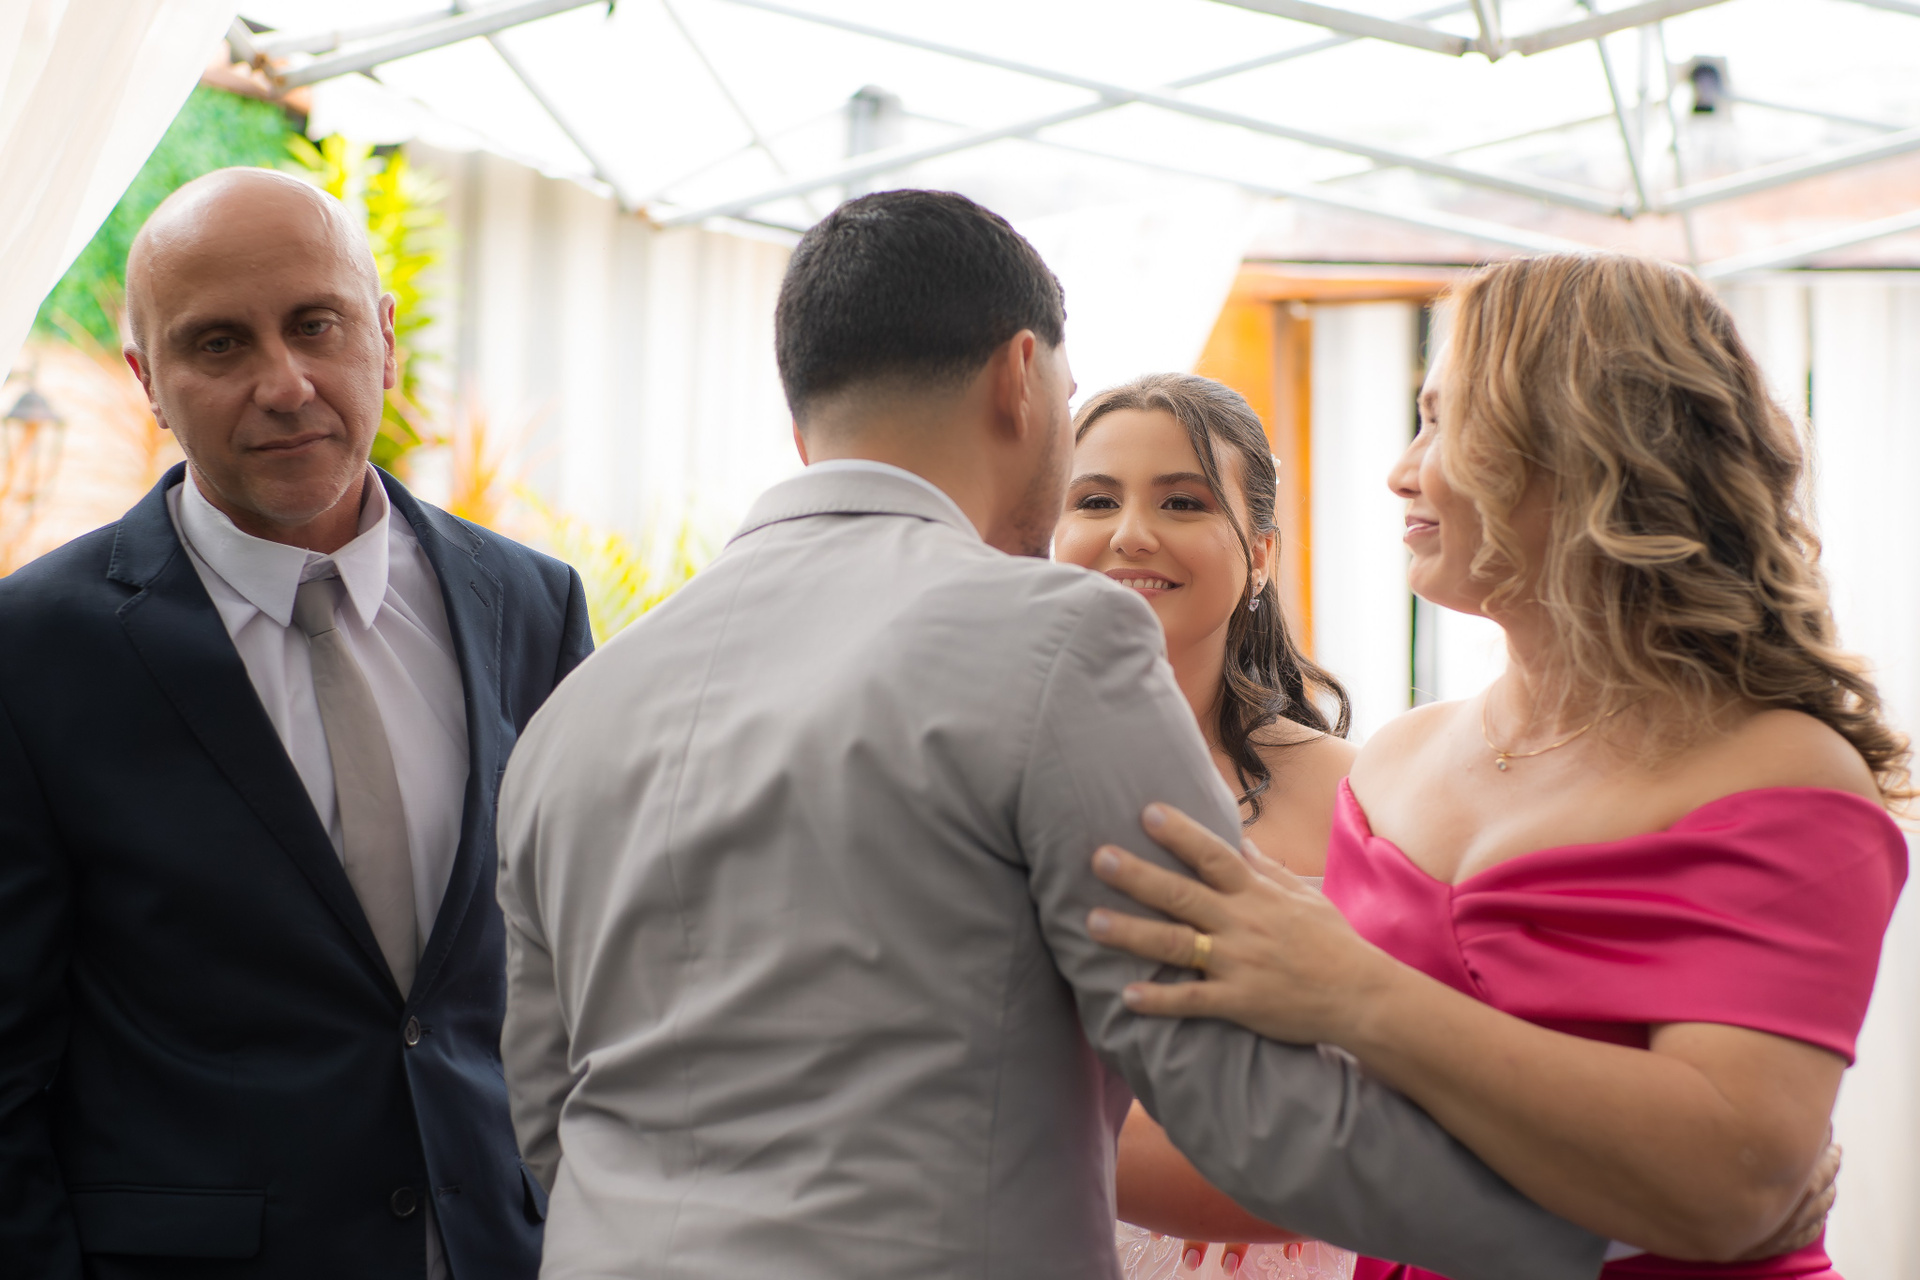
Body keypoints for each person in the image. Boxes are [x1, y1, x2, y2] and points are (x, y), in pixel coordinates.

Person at [495, 188, 1606, 1280]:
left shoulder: (579, 708)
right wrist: (1605, 1223)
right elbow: (1234, 1099)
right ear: (1019, 377)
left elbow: (547, 1110)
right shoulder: (1056, 638)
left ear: (802, 420)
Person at [1084, 252, 1902, 1278]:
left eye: (1444, 421)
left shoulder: (1775, 771)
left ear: (1586, 449)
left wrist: (1355, 989)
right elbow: (1338, 1138)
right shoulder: (1397, 766)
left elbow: (1726, 1187)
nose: (1401, 470)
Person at [0, 168, 592, 1279]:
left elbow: (585, 969)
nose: (285, 384)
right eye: (219, 344)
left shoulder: (532, 605)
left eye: (316, 324)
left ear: (384, 338)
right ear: (149, 381)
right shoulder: (31, 651)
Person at [1053, 373, 1354, 1276]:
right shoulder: (991, 769)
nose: (1131, 533)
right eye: (1095, 500)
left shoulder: (1363, 794)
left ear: (1260, 555)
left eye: (1181, 501)